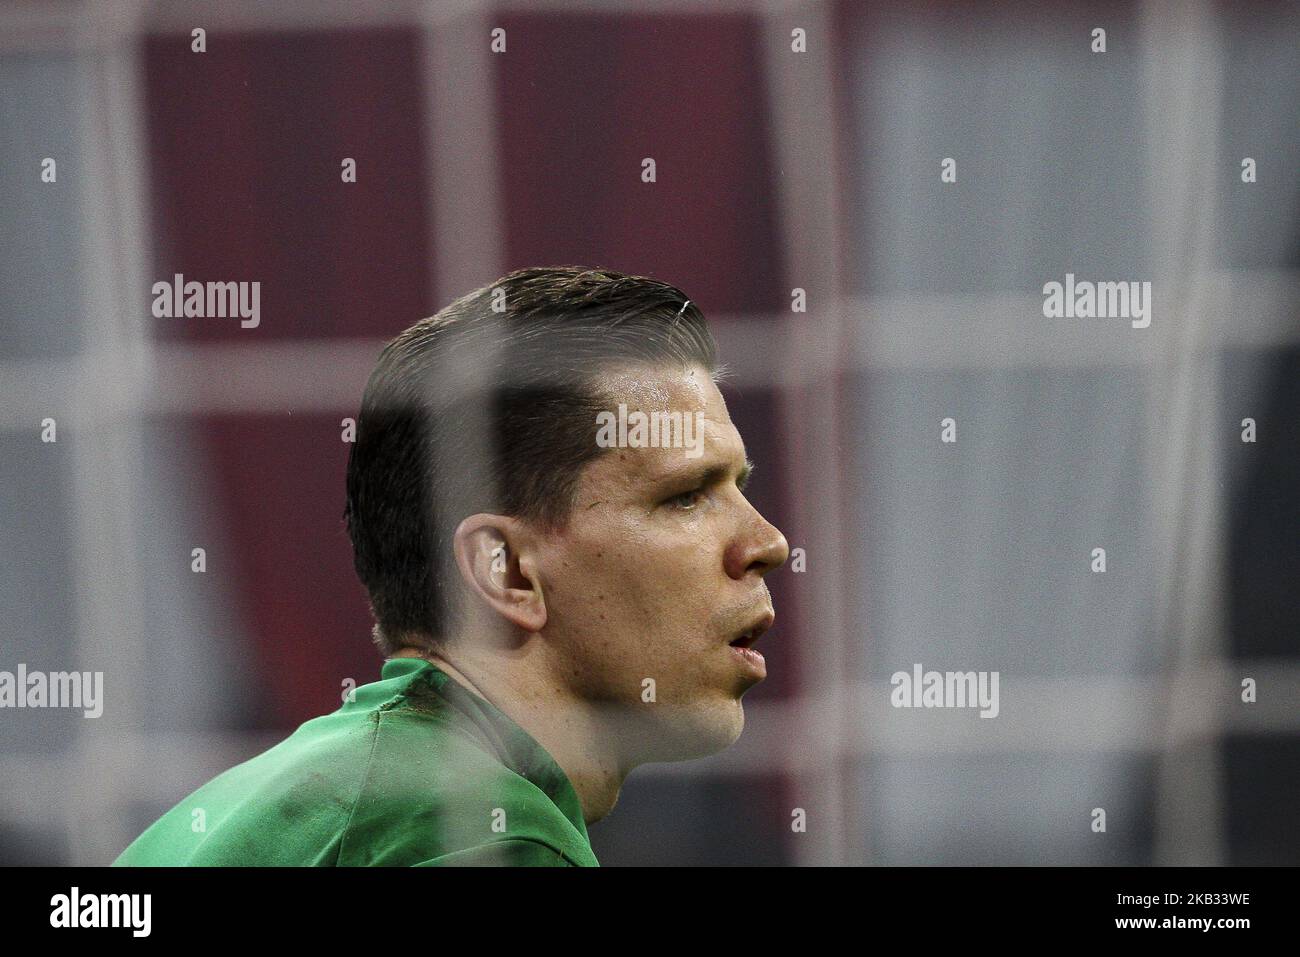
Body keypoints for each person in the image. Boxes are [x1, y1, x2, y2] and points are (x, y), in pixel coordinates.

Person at [114, 265, 788, 866]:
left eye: (740, 486)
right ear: (508, 571)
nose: (768, 541)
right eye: (686, 496)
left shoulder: (271, 798)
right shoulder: (477, 833)